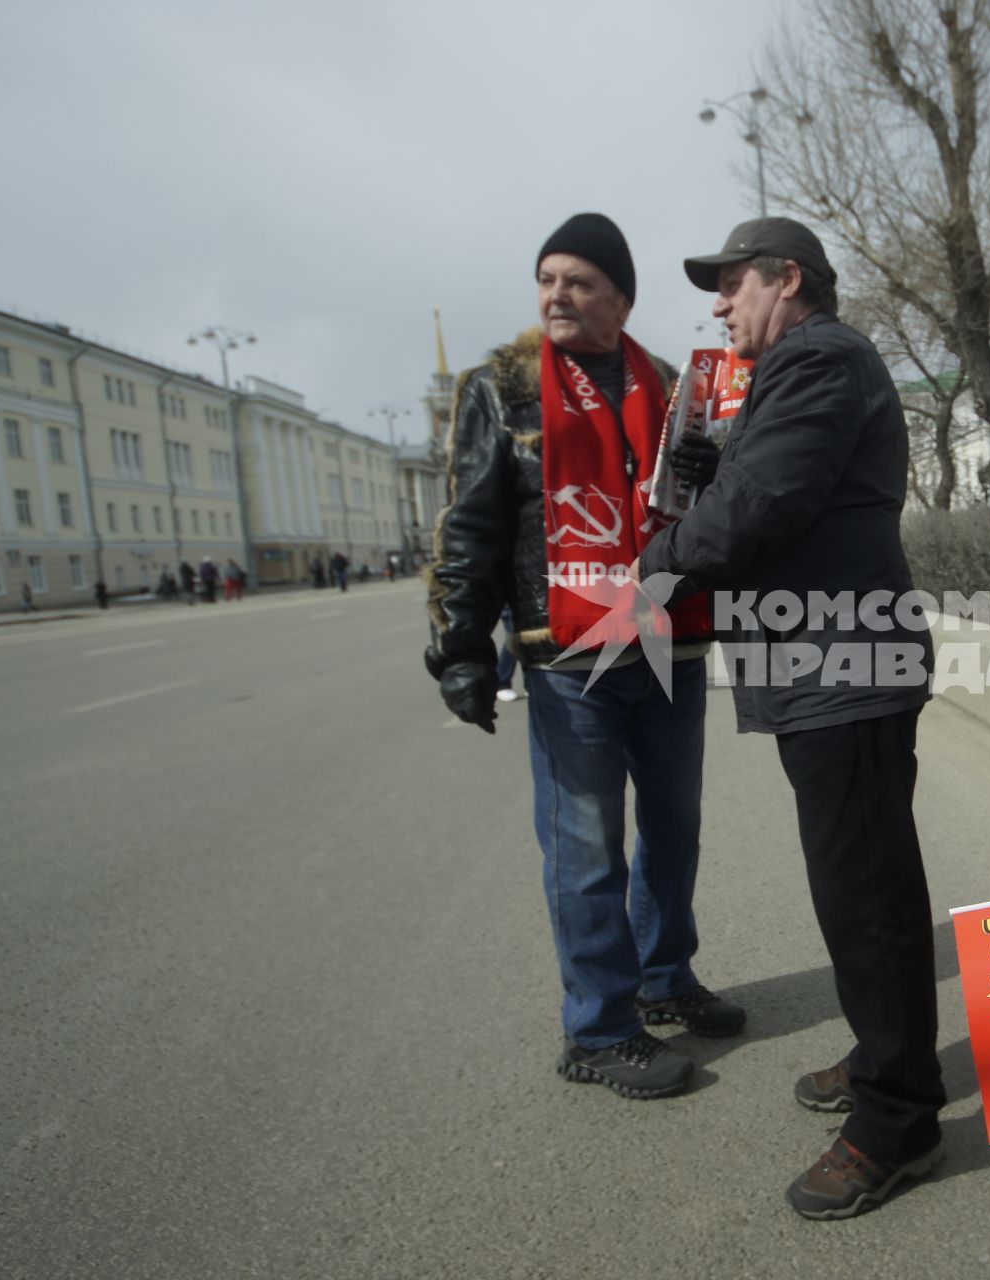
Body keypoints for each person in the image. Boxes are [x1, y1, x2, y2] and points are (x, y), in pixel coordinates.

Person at [636, 217, 942, 1220]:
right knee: (858, 882)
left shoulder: (817, 357)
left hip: (841, 666)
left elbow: (762, 505)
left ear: (789, 280)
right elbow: (766, 483)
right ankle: (881, 1047)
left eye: (732, 285)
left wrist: (659, 556)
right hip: (828, 665)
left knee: (863, 892)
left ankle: (897, 1117)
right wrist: (709, 460)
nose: (719, 304)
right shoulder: (808, 368)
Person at [426, 212, 743, 1100]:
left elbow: (706, 509)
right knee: (588, 846)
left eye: (579, 282)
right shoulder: (501, 387)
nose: (557, 295)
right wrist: (459, 647)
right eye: (548, 279)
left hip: (667, 643)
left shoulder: (674, 384)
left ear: (621, 300)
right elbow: (471, 523)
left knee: (674, 831)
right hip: (566, 656)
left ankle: (662, 976)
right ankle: (598, 1030)